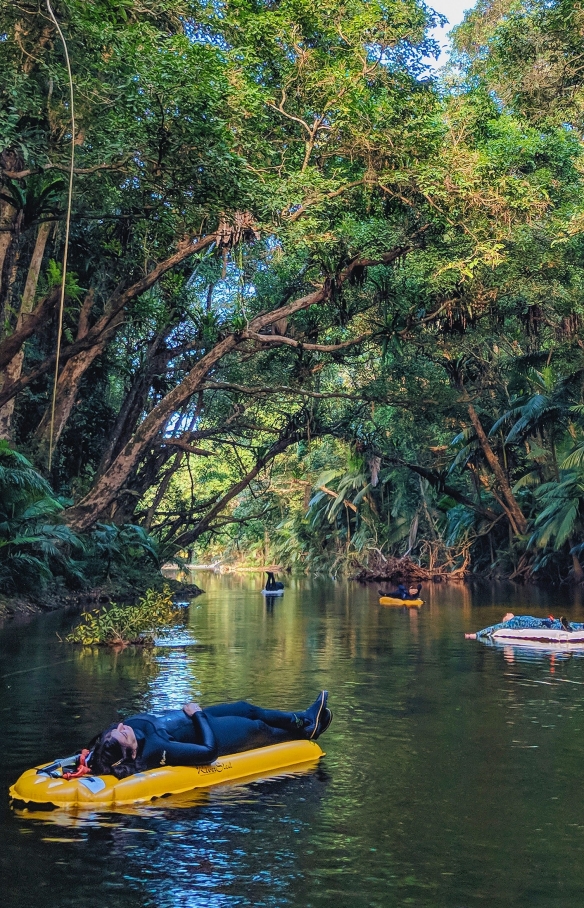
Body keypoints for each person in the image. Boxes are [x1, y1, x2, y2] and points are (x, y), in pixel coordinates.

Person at [88, 691, 332, 779]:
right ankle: (307, 731)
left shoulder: (109, 741)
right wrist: (197, 715)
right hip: (210, 730)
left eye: (117, 729)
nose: (121, 726)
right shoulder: (156, 748)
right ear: (130, 752)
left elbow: (94, 748)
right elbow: (208, 753)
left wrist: (84, 761)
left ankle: (304, 719)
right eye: (122, 734)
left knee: (248, 708)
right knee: (258, 728)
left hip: (199, 717)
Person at [465, 613, 578, 639]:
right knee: (546, 624)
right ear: (505, 619)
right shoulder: (508, 624)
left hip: (535, 620)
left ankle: (565, 625)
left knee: (548, 622)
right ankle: (562, 626)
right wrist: (474, 635)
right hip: (530, 624)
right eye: (507, 614)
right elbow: (491, 628)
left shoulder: (517, 617)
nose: (509, 613)